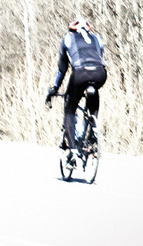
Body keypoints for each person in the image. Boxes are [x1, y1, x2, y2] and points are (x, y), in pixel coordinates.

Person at [46, 16, 109, 151]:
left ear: (71, 29)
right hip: (100, 74)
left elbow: (62, 69)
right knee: (93, 93)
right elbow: (99, 57)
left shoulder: (68, 38)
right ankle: (93, 129)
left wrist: (55, 88)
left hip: (81, 73)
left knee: (69, 110)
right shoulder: (97, 38)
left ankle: (73, 148)